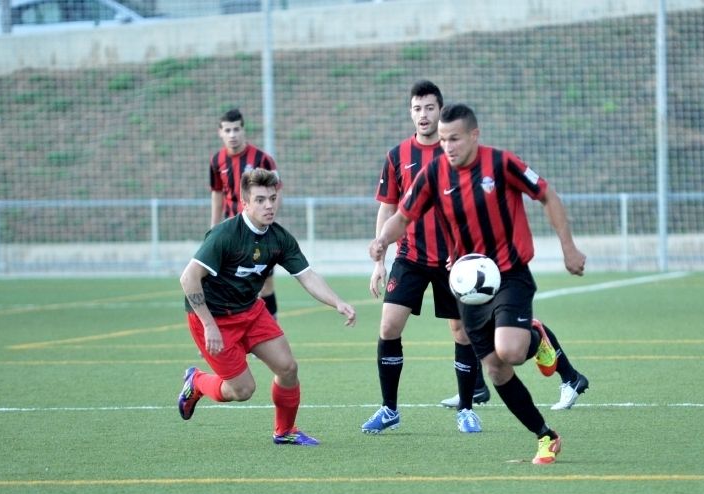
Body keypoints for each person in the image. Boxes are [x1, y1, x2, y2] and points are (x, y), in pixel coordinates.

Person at [369, 103, 589, 464]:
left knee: (511, 351)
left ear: (474, 135)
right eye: (443, 140)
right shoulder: (434, 173)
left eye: (455, 139)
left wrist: (569, 248)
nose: (448, 147)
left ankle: (535, 337)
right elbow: (403, 216)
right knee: (496, 368)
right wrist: (382, 240)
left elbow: (546, 195)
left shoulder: (501, 163)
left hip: (509, 274)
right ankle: (545, 436)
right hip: (466, 282)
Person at [179, 167, 357, 446]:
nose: (269, 206)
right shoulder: (225, 234)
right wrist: (209, 325)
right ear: (245, 203)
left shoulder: (279, 238)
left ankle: (285, 431)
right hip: (213, 318)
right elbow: (188, 278)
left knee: (287, 368)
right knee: (242, 390)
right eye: (260, 200)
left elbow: (307, 276)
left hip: (250, 311)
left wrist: (338, 302)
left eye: (273, 199)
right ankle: (197, 382)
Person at [362, 80, 490, 436]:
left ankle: (466, 410)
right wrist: (379, 260)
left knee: (461, 332)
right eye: (417, 108)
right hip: (410, 256)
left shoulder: (457, 154)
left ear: (440, 111)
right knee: (389, 326)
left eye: (430, 108)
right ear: (410, 113)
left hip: (454, 261)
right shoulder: (397, 156)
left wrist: (471, 252)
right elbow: (388, 208)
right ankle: (389, 409)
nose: (423, 115)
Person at [209, 108, 280, 318]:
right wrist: (214, 227)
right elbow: (217, 193)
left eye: (236, 129)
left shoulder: (262, 159)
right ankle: (229, 329)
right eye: (227, 130)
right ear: (220, 132)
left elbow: (276, 192)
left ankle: (272, 328)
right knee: (228, 282)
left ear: (243, 130)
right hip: (232, 232)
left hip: (258, 232)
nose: (232, 135)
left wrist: (268, 222)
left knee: (264, 283)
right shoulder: (216, 161)